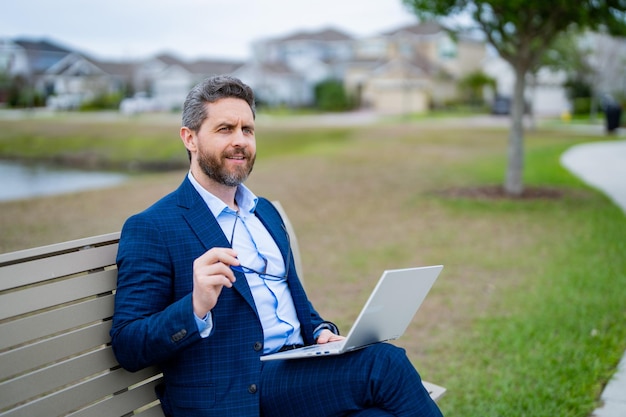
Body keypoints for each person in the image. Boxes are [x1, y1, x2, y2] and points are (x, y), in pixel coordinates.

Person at [110, 75, 443, 417]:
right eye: (225, 129)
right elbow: (128, 344)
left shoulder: (264, 212)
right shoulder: (152, 226)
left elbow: (297, 302)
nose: (240, 141)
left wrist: (321, 332)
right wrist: (195, 307)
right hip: (234, 391)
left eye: (248, 130)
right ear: (190, 138)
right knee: (383, 363)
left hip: (295, 370)